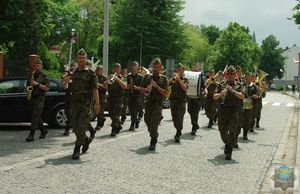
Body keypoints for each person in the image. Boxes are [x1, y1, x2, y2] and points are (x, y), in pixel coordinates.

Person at [63, 49, 100, 160]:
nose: (81, 59)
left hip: (86, 103)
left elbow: (95, 89)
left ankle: (77, 149)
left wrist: (97, 104)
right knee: (74, 126)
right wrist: (65, 80)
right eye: (79, 57)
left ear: (86, 59)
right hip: (74, 103)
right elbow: (64, 85)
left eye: (83, 58)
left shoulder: (91, 73)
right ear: (76, 59)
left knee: (81, 126)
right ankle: (86, 139)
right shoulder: (72, 73)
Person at [213, 65, 245, 160]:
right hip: (223, 110)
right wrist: (220, 94)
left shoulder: (240, 85)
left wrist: (233, 91)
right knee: (222, 131)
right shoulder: (221, 84)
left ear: (235, 75)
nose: (230, 75)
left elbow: (243, 96)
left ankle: (229, 150)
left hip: (234, 110)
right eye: (228, 74)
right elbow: (214, 96)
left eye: (232, 74)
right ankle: (228, 143)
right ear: (226, 75)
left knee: (232, 130)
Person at [139, 58, 168, 150]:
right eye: (154, 67)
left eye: (157, 67)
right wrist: (146, 89)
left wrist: (157, 86)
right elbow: (140, 89)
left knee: (154, 122)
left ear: (160, 68)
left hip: (158, 104)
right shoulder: (147, 77)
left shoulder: (163, 79)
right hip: (148, 103)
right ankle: (154, 134)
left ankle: (153, 140)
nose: (155, 69)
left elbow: (165, 93)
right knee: (147, 120)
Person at [25, 58, 50, 142]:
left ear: (41, 66)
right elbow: (27, 85)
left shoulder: (44, 76)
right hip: (32, 97)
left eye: (38, 66)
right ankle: (43, 130)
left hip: (40, 98)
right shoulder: (31, 75)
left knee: (35, 115)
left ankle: (31, 135)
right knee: (36, 115)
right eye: (35, 66)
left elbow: (47, 88)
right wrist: (28, 89)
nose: (36, 67)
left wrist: (37, 84)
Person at [105, 63, 127, 136]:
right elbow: (104, 86)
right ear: (113, 69)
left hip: (119, 98)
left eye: (118, 69)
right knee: (111, 113)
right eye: (115, 69)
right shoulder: (110, 77)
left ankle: (114, 129)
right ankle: (118, 125)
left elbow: (125, 86)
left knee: (116, 114)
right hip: (111, 98)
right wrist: (108, 79)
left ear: (120, 70)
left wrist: (117, 79)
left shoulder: (122, 78)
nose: (116, 70)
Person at [168, 63, 188, 142]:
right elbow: (166, 85)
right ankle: (178, 129)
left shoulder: (185, 80)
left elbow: (185, 88)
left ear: (183, 71)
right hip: (173, 101)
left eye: (181, 70)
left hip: (181, 101)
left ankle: (178, 132)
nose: (179, 71)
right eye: (178, 70)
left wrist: (179, 80)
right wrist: (171, 79)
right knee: (174, 117)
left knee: (180, 117)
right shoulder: (173, 79)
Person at [187, 65, 205, 135]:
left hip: (197, 98)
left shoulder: (200, 77)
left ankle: (194, 127)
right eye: (193, 68)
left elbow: (203, 86)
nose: (194, 69)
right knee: (189, 110)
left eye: (195, 68)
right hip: (190, 98)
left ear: (197, 69)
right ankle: (195, 124)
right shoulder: (189, 76)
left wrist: (204, 90)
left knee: (195, 112)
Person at [241, 72, 259, 140]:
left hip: (249, 106)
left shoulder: (254, 86)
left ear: (251, 78)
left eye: (248, 77)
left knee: (247, 119)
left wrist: (256, 96)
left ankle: (245, 134)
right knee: (240, 119)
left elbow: (258, 94)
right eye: (246, 77)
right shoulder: (241, 85)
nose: (247, 78)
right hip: (241, 105)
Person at [127, 61, 144, 131]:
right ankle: (136, 120)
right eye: (133, 68)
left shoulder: (140, 77)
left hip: (138, 95)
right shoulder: (129, 77)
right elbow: (127, 86)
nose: (134, 70)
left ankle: (132, 123)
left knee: (134, 109)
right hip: (130, 94)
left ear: (138, 69)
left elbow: (143, 88)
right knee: (131, 109)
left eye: (135, 68)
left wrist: (137, 87)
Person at [95, 65, 107, 130]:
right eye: (97, 70)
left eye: (99, 70)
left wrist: (99, 84)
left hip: (102, 96)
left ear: (102, 71)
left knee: (100, 111)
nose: (98, 71)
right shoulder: (95, 77)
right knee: (96, 111)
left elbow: (106, 87)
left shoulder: (104, 78)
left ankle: (99, 124)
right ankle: (102, 119)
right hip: (96, 96)